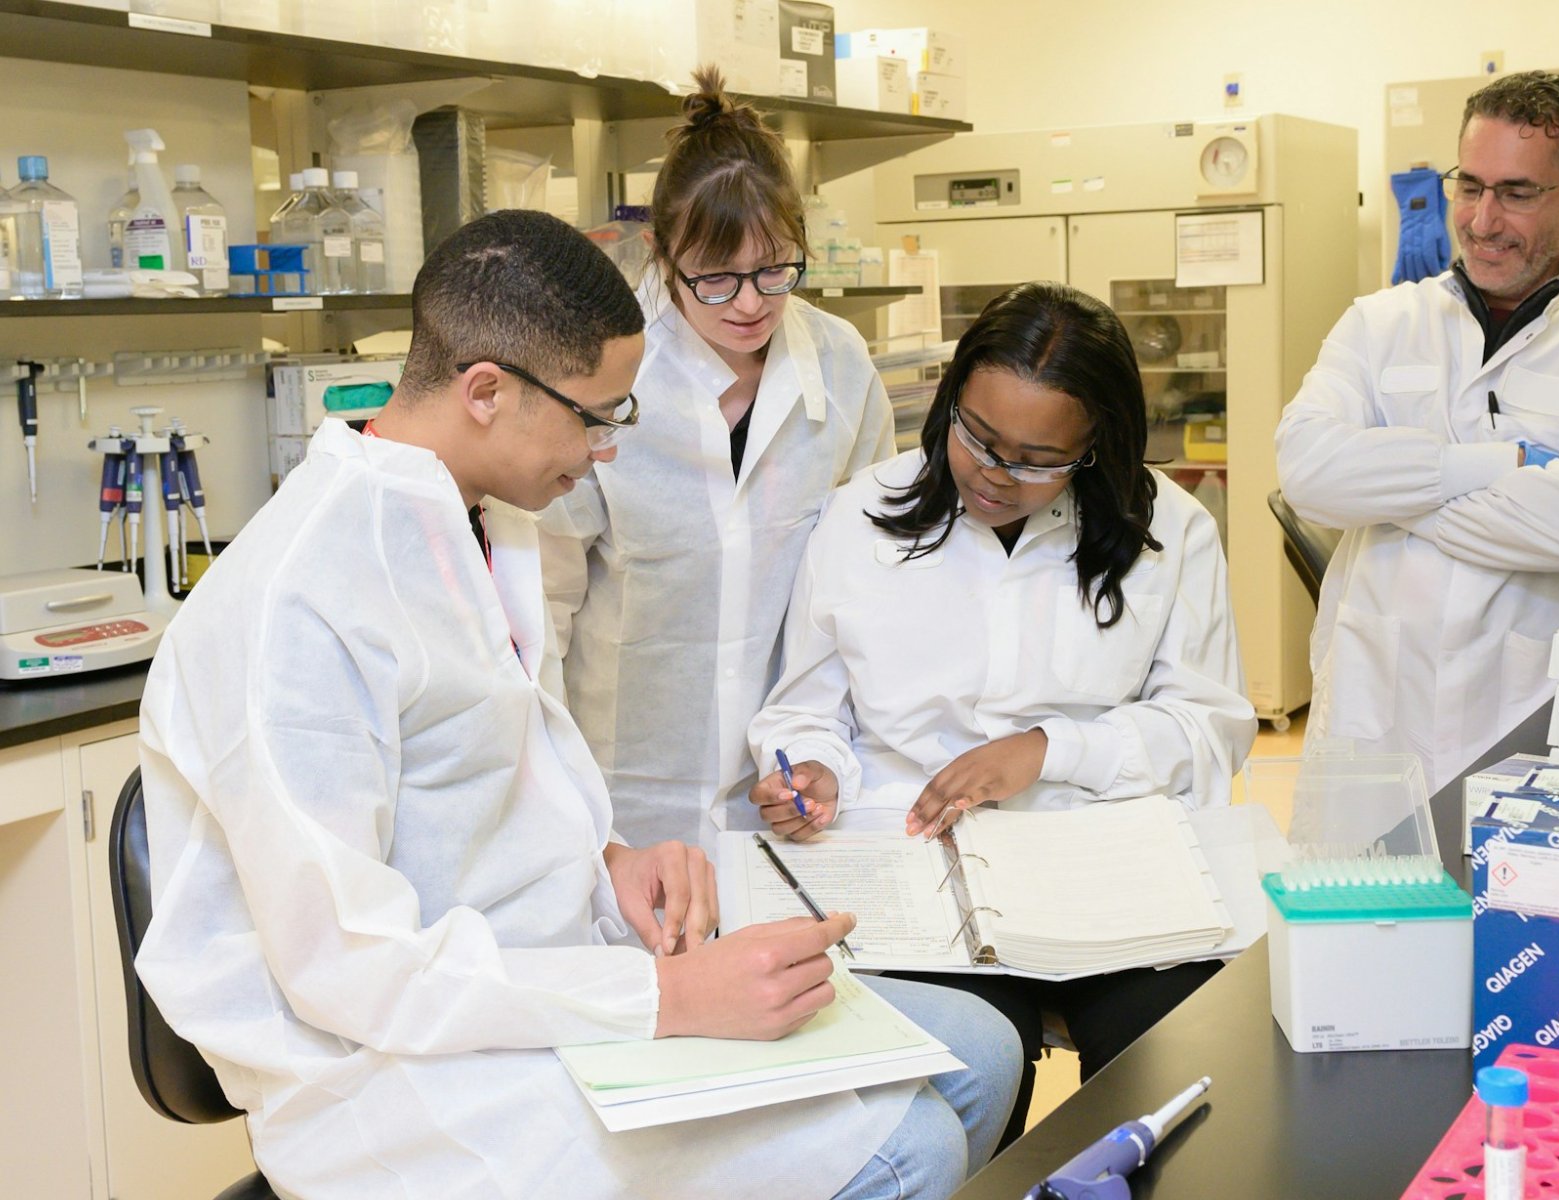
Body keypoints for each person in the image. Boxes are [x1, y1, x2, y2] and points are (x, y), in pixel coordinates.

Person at [135, 210, 1019, 1200]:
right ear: (486, 393)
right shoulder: (297, 605)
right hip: (392, 1073)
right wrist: (665, 996)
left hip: (536, 977)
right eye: (597, 416)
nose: (608, 449)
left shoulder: (482, 523)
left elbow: (476, 801)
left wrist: (611, 864)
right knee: (915, 1147)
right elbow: (349, 970)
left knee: (978, 1052)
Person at [745, 281, 1258, 1147]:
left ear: (1097, 448)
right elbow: (805, 709)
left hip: (1101, 874)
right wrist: (809, 768)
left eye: (1036, 459)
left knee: (1176, 1080)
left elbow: (1208, 728)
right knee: (964, 1087)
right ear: (950, 400)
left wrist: (1050, 750)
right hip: (920, 879)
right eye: (976, 437)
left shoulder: (1171, 529)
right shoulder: (860, 516)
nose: (993, 473)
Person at [1275, 70, 1559, 794]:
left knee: (1533, 901)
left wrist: (1388, 494)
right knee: (1369, 901)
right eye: (1469, 186)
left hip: (1538, 709)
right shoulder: (1379, 324)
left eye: (1518, 193)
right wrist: (1497, 468)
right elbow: (1309, 475)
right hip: (1381, 706)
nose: (1481, 219)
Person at [541, 67, 895, 855]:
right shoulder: (603, 373)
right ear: (664, 254)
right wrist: (553, 801)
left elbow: (864, 584)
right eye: (717, 277)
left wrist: (824, 751)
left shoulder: (838, 367)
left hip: (784, 788)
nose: (749, 303)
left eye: (775, 270)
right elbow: (543, 611)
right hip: (620, 799)